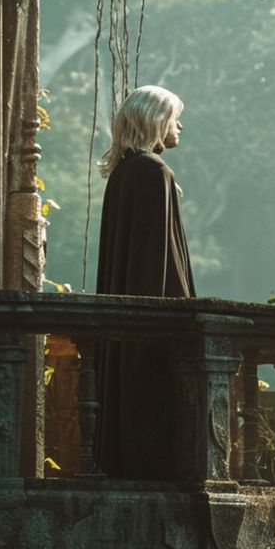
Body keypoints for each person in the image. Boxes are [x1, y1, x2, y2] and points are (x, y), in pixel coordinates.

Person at [94, 85, 196, 479]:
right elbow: (161, 260)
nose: (180, 125)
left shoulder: (124, 172)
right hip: (152, 329)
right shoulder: (153, 172)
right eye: (174, 117)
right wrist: (185, 319)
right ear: (155, 121)